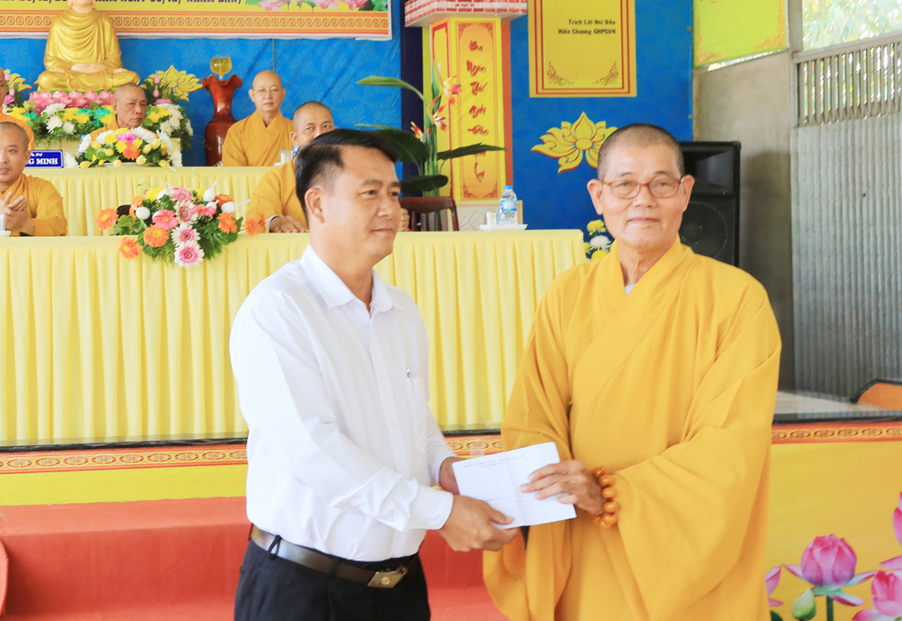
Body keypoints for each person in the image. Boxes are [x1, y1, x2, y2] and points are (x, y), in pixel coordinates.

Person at [483, 124, 781, 620]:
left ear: (685, 193)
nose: (643, 199)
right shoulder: (566, 294)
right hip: (582, 542)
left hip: (677, 549)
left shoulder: (737, 299)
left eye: (661, 184)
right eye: (624, 184)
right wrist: (557, 481)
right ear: (598, 196)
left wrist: (610, 493)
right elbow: (533, 414)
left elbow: (731, 446)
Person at [229, 129, 516, 621]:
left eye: (394, 193)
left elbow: (413, 420)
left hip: (398, 586)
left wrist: (445, 468)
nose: (390, 209)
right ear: (317, 204)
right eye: (370, 193)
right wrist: (440, 512)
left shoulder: (399, 309)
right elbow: (312, 449)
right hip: (305, 588)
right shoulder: (278, 310)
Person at [247, 101, 408, 233]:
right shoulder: (277, 177)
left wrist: (394, 220)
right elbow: (257, 216)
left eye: (326, 126)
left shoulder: (356, 173)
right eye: (309, 128)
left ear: (335, 131)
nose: (319, 135)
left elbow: (376, 210)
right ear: (295, 138)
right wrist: (276, 222)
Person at [36, 0, 139, 91]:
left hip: (99, 74)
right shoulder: (59, 21)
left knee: (131, 78)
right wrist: (73, 67)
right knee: (45, 79)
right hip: (71, 75)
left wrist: (101, 67)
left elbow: (115, 60)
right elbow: (51, 61)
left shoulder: (104, 21)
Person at [0, 123, 67, 236]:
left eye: (11, 151)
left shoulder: (42, 188)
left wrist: (25, 225)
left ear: (26, 157)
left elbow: (57, 225)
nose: (2, 159)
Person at [220, 71, 294, 167]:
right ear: (252, 95)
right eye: (261, 90)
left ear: (283, 94)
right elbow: (235, 172)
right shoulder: (236, 132)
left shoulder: (294, 130)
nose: (268, 96)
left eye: (274, 90)